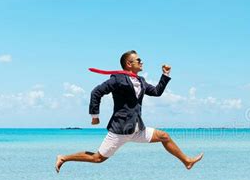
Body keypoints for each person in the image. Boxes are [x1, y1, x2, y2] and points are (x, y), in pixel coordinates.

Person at [55, 50, 203, 173]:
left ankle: (187, 161)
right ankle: (64, 158)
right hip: (120, 130)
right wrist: (95, 116)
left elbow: (157, 92)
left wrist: (165, 75)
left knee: (164, 136)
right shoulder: (118, 79)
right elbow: (96, 92)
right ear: (129, 64)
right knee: (97, 158)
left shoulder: (141, 81)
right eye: (138, 60)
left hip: (137, 129)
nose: (142, 62)